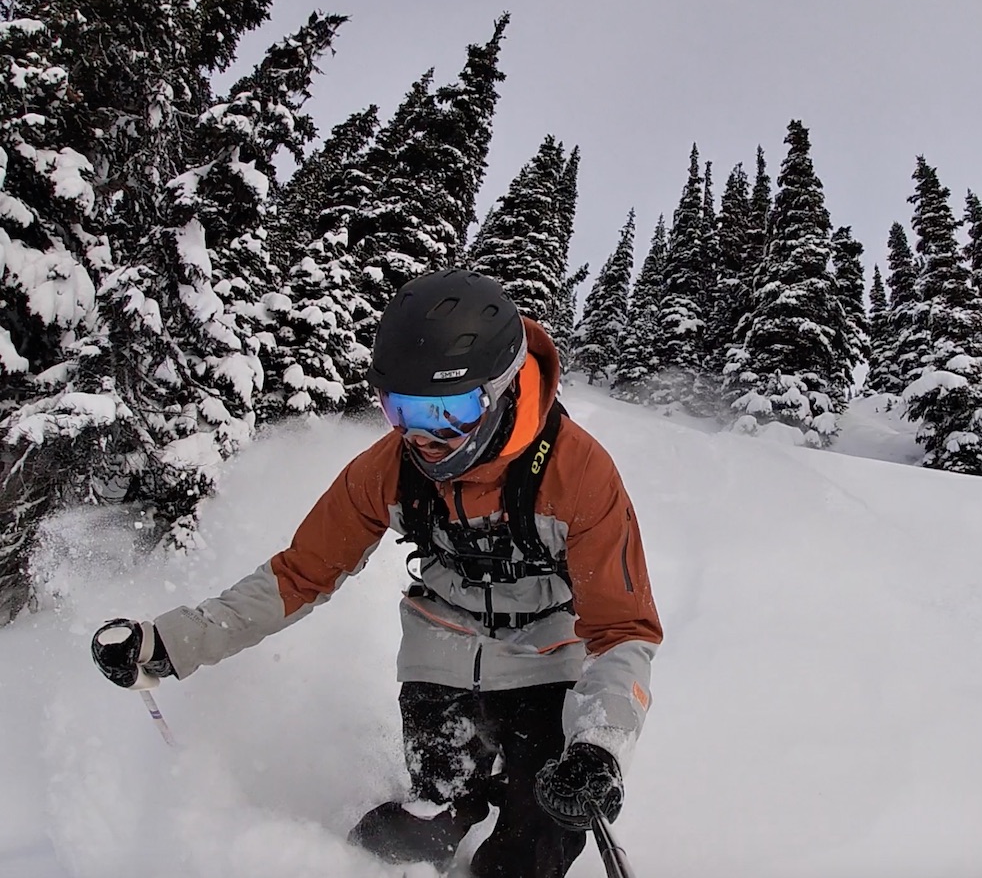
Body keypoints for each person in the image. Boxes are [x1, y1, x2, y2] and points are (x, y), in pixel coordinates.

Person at [90, 268, 662, 878]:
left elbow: (623, 630)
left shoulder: (577, 474)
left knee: (534, 847)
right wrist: (171, 642)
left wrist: (600, 745)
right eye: (403, 409)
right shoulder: (391, 468)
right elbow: (299, 575)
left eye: (450, 410)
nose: (425, 436)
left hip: (547, 659)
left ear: (499, 391)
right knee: (427, 822)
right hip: (440, 650)